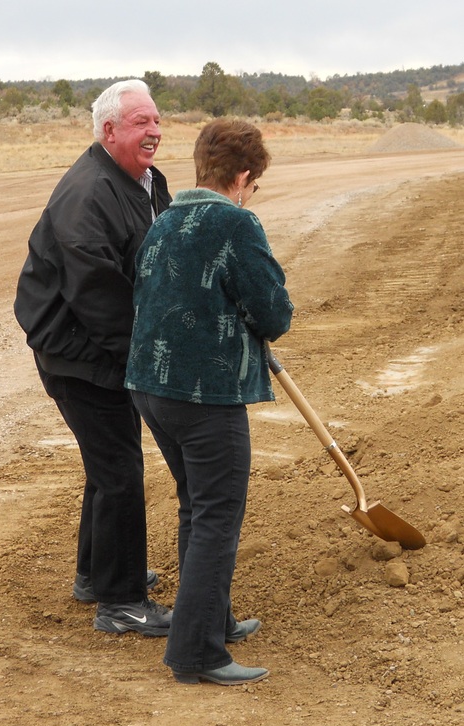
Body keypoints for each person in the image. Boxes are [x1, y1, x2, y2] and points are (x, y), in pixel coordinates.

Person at [125, 119, 294, 684]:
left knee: (196, 505)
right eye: (255, 182)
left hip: (151, 389)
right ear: (243, 176)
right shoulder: (236, 222)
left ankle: (212, 619)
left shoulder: (164, 221)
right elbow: (273, 311)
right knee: (218, 513)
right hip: (204, 395)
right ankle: (197, 653)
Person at [14, 80, 173, 637]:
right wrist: (146, 361)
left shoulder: (146, 183)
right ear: (109, 131)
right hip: (77, 351)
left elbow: (163, 257)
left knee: (109, 466)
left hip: (101, 345)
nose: (154, 131)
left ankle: (94, 574)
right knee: (121, 473)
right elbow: (99, 297)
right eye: (140, 123)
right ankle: (121, 601)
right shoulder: (87, 195)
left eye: (156, 120)